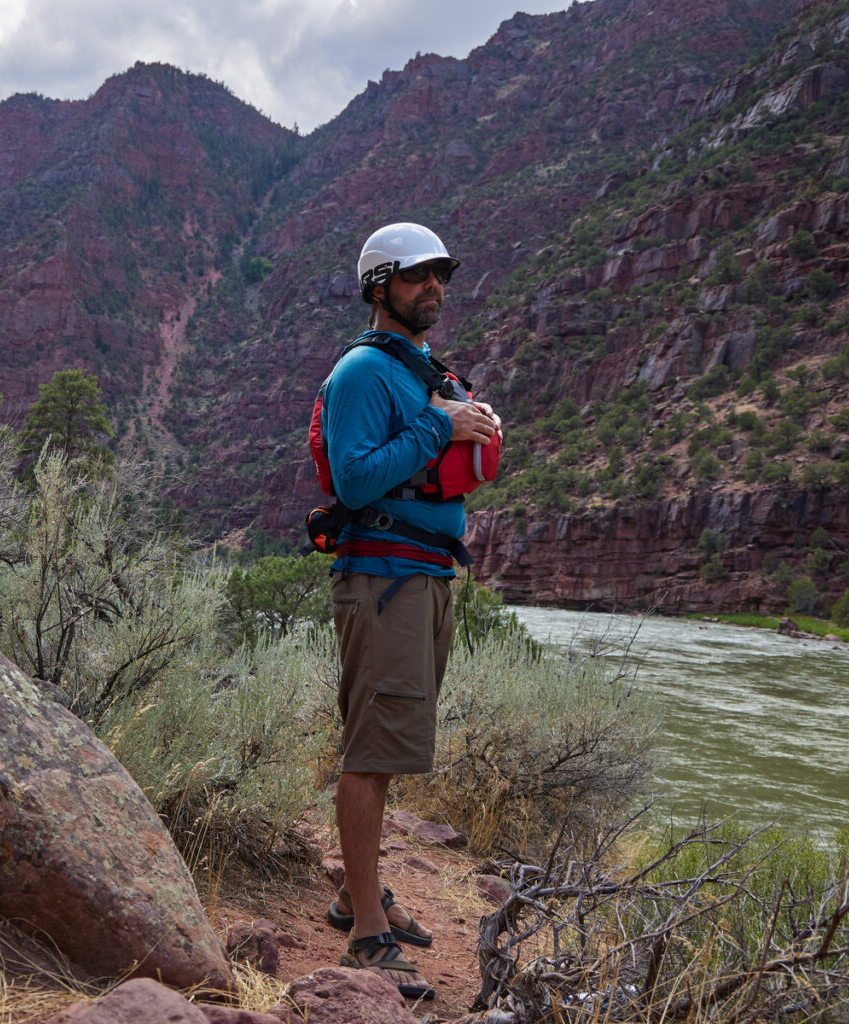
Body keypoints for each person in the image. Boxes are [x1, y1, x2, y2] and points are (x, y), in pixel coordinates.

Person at [320, 222, 501, 999]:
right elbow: (356, 483)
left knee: (389, 744)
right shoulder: (364, 370)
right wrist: (442, 424)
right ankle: (366, 932)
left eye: (440, 276)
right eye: (417, 276)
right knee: (370, 749)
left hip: (423, 578)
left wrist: (466, 421)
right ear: (379, 287)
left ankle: (352, 894)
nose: (433, 288)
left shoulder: (418, 369)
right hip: (384, 577)